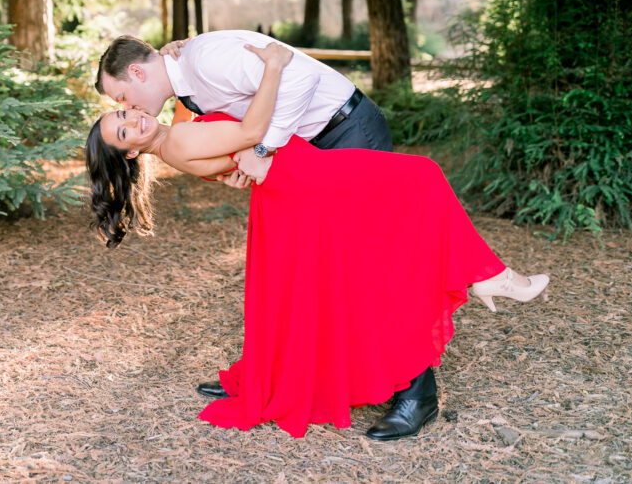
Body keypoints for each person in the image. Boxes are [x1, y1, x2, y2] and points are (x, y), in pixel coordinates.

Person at [85, 42, 550, 440]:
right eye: (125, 125)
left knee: (326, 273)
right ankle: (486, 277)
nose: (134, 114)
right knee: (420, 181)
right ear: (129, 151)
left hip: (294, 175)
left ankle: (483, 278)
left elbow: (198, 121)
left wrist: (172, 54)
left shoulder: (175, 126)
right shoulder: (176, 141)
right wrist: (272, 67)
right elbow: (249, 132)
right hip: (301, 177)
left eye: (124, 107)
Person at [95, 31, 402, 417]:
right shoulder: (184, 81)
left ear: (137, 73)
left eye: (121, 98)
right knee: (320, 273)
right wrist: (234, 164)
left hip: (347, 132)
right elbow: (202, 131)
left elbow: (300, 78)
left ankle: (416, 392)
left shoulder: (205, 60)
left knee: (366, 269)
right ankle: (295, 378)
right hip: (310, 152)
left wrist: (260, 150)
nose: (127, 106)